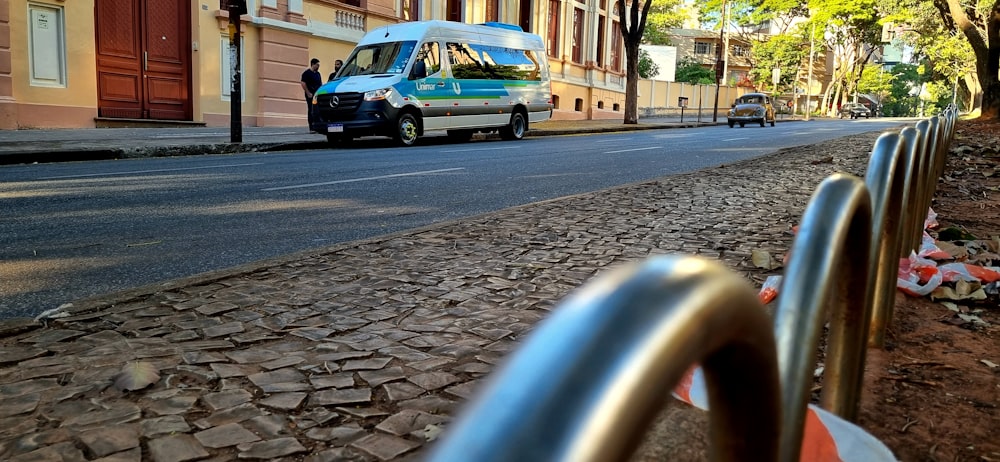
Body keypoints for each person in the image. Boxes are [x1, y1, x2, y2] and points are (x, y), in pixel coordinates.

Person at [300, 58, 322, 132]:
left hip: (317, 94)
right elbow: (303, 83)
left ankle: (317, 126)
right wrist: (308, 92)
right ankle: (311, 127)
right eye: (317, 65)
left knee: (317, 110)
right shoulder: (306, 73)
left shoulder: (318, 74)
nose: (318, 66)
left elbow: (320, 84)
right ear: (313, 64)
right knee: (311, 110)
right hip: (310, 94)